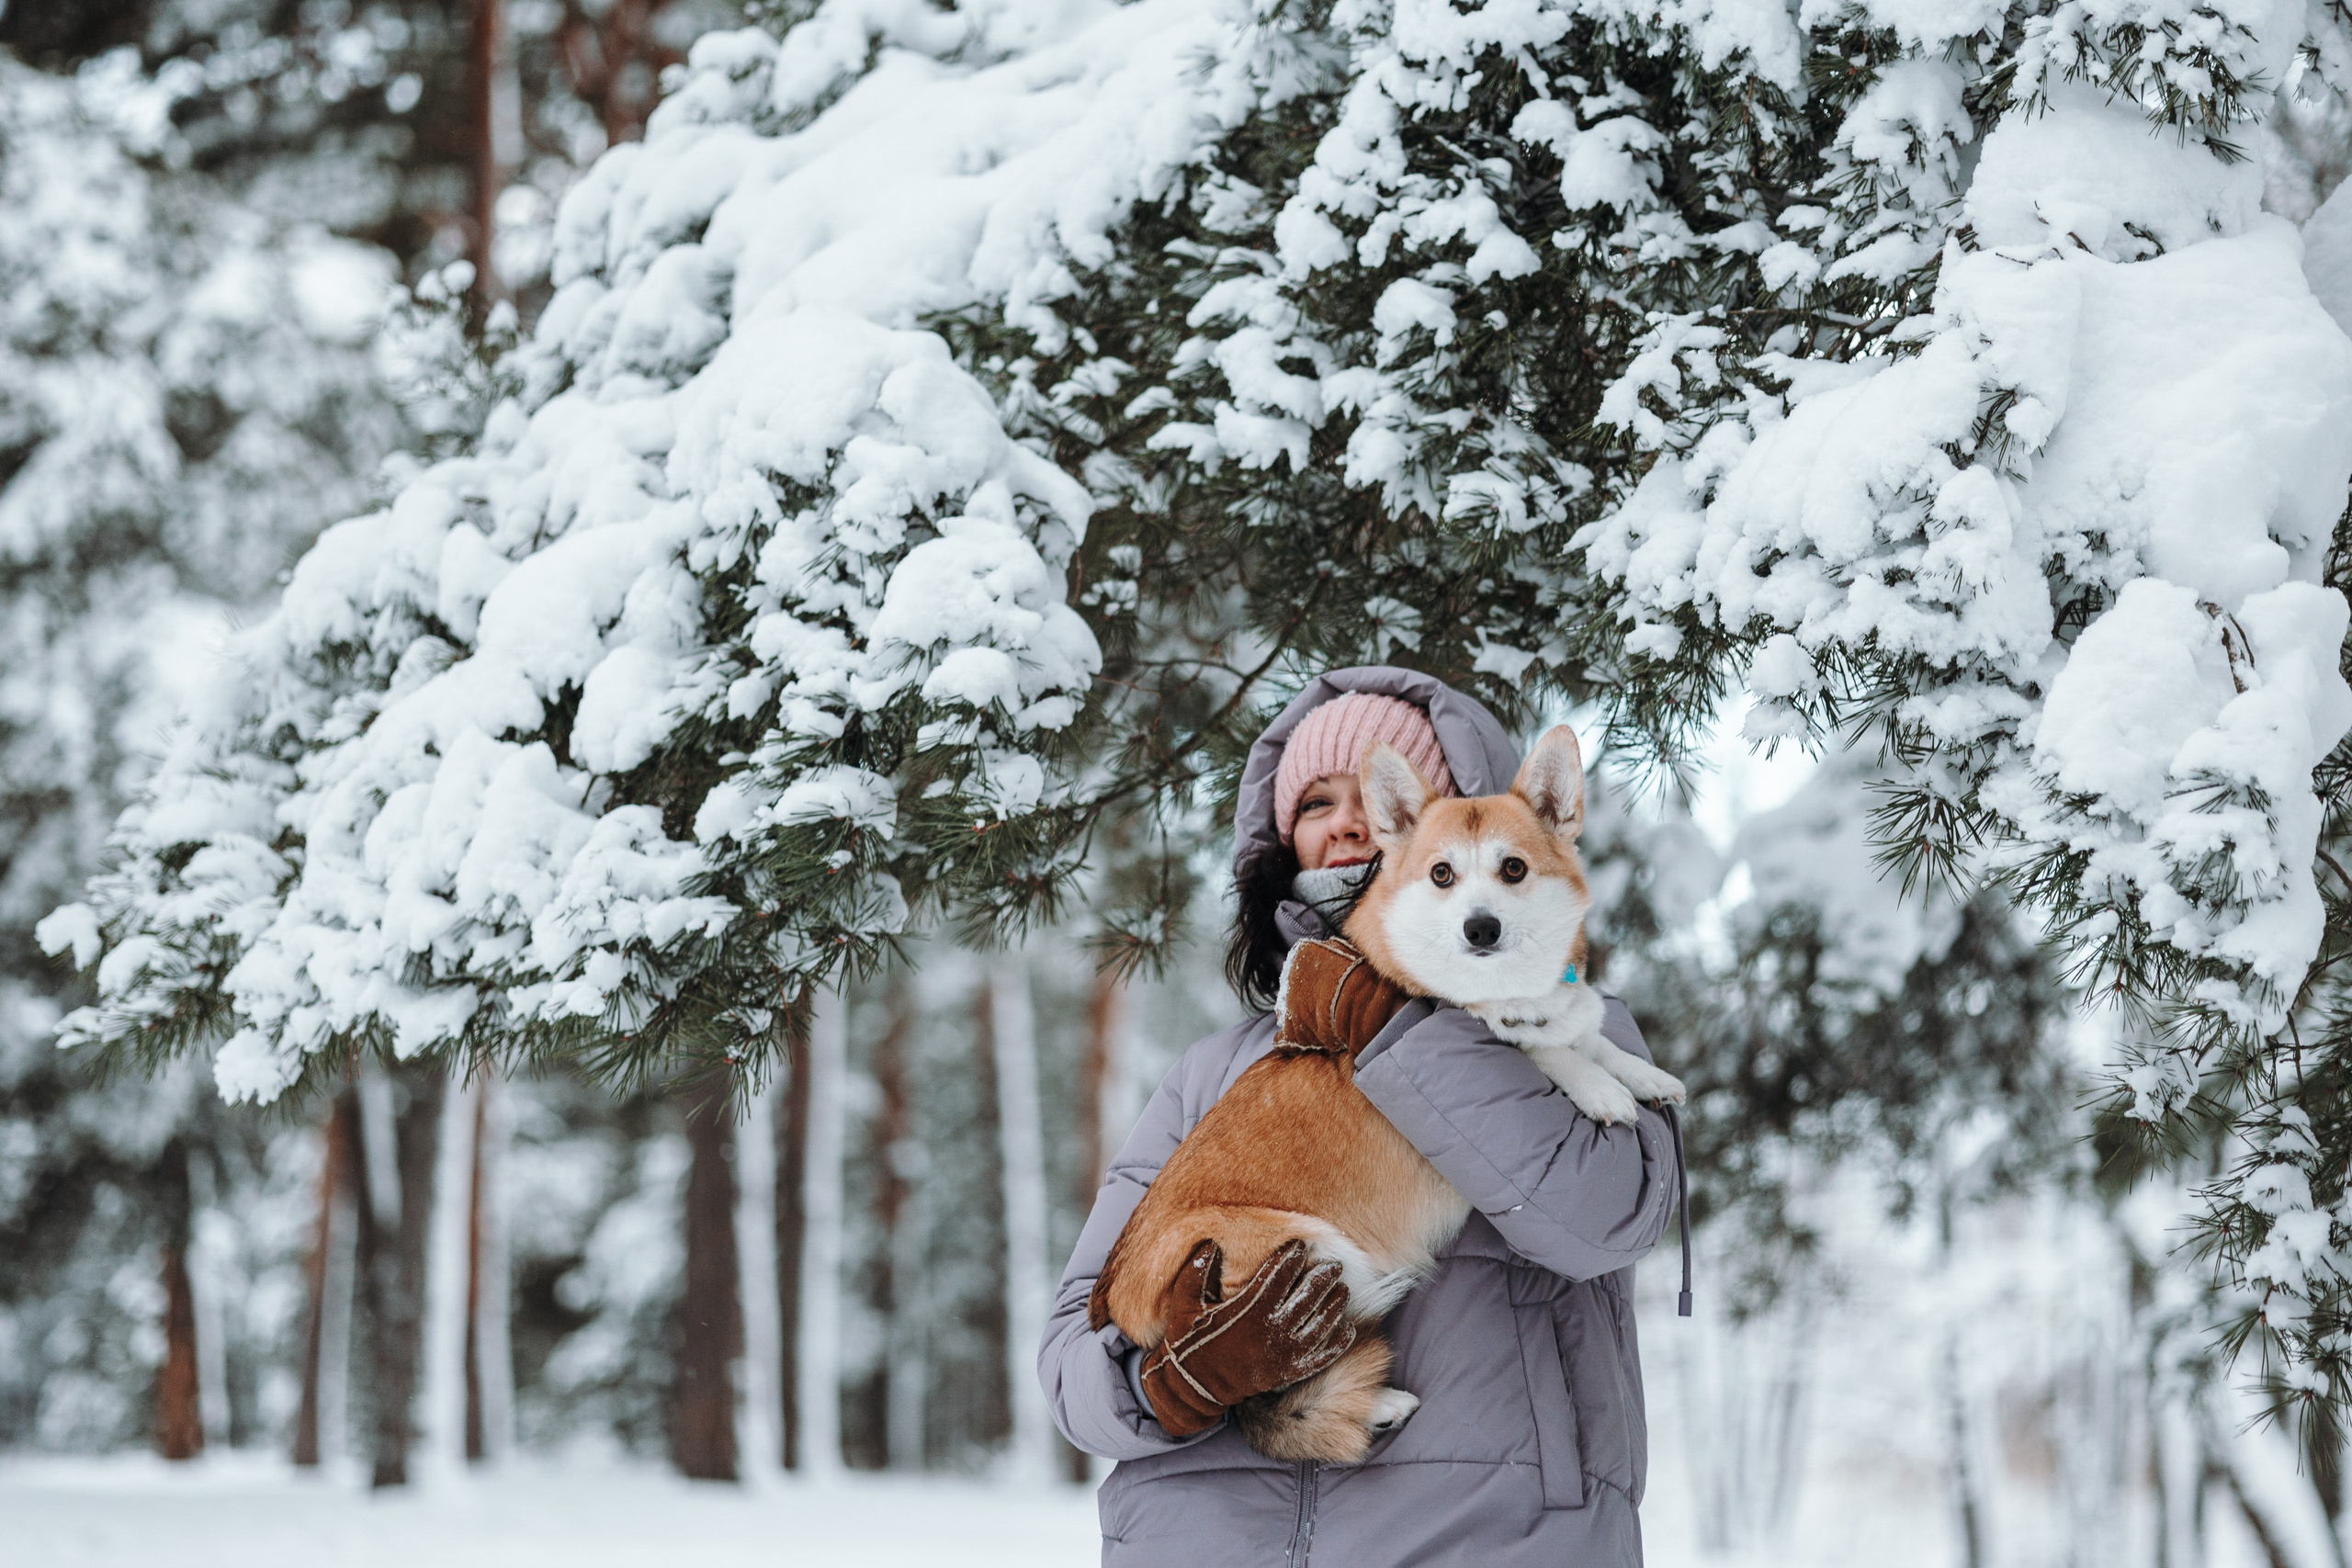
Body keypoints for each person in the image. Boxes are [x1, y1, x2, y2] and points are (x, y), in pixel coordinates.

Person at [1040, 666, 1679, 1566]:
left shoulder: (1574, 1031)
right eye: (1313, 803)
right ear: (1280, 840)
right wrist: (1170, 1384)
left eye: (1372, 797)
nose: (1343, 822)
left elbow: (1602, 1221)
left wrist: (1395, 1029)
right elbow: (1073, 1353)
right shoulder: (1216, 1071)